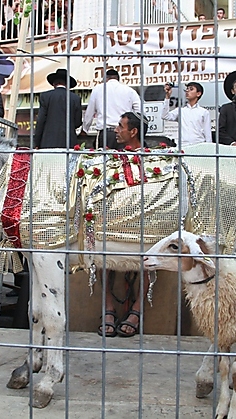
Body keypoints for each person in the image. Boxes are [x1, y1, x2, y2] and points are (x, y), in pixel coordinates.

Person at [98, 111, 150, 338]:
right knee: (100, 252)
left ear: (133, 131)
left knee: (151, 255)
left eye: (120, 126)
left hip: (144, 223)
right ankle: (108, 307)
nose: (116, 131)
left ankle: (138, 309)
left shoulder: (153, 159)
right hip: (114, 220)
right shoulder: (111, 159)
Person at [83, 69, 141, 150]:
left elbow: (89, 112)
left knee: (103, 160)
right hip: (124, 133)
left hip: (105, 133)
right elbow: (139, 113)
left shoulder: (98, 89)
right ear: (118, 79)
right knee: (124, 159)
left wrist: (85, 129)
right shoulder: (130, 91)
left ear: (106, 79)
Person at [34, 68, 82, 148]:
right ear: (68, 84)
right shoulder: (75, 98)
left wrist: (37, 142)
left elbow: (41, 120)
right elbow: (78, 122)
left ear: (54, 83)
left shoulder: (45, 96)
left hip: (48, 142)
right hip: (69, 142)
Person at [161, 81, 211, 146]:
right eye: (187, 89)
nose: (187, 91)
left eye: (191, 89)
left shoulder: (204, 112)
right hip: (183, 146)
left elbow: (207, 133)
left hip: (199, 145)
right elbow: (165, 116)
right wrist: (168, 96)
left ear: (198, 94)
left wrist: (209, 148)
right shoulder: (181, 111)